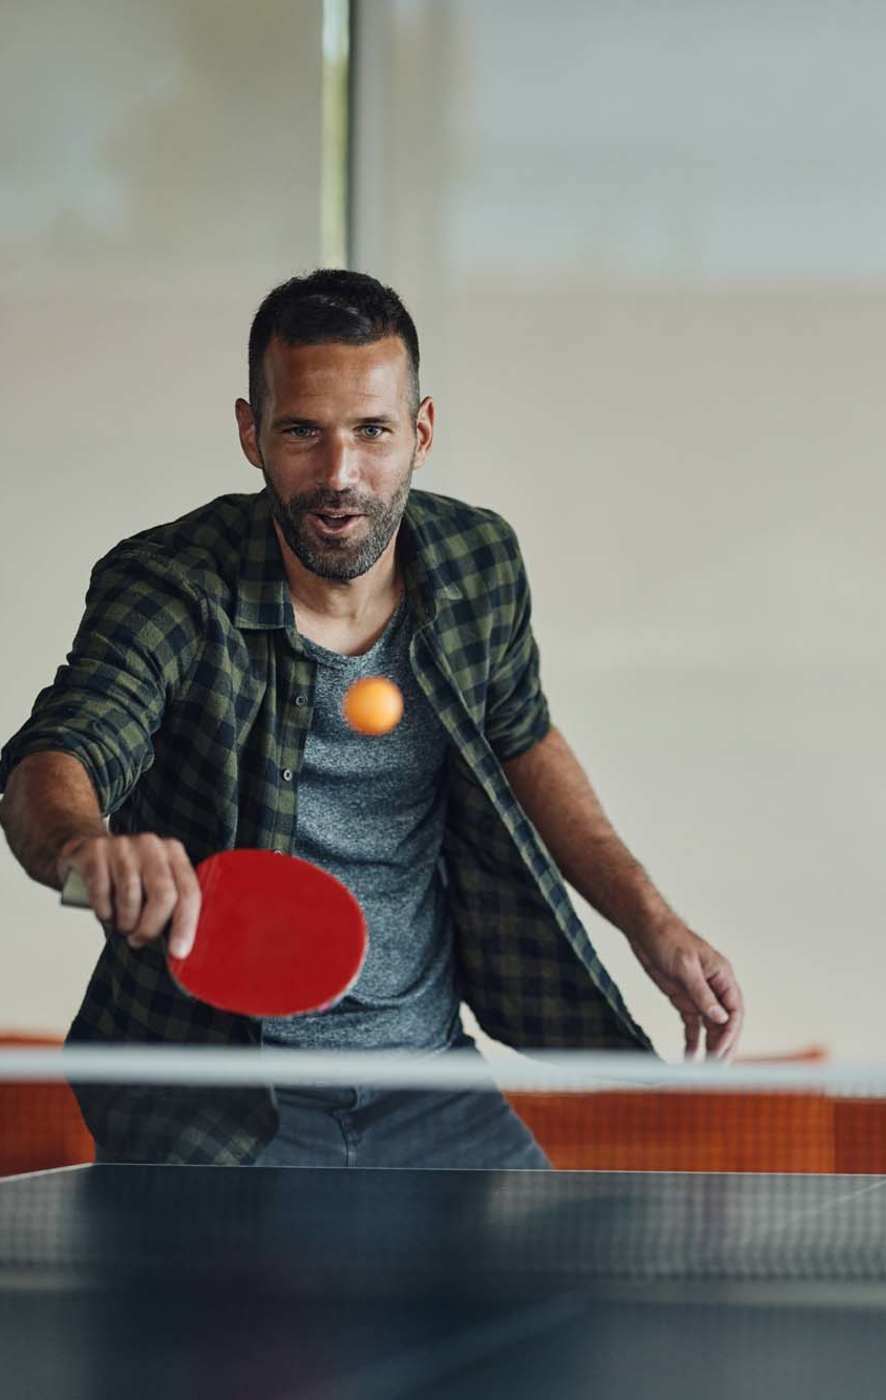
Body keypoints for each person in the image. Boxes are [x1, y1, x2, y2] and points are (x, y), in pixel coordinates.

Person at [0, 270, 743, 1167]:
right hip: (216, 1095)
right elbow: (61, 751)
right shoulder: (172, 586)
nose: (340, 474)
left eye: (373, 432)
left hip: (429, 1080)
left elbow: (523, 738)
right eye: (303, 432)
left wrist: (649, 920)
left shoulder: (479, 562)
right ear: (252, 434)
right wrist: (86, 846)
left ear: (421, 432)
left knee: (561, 1304)